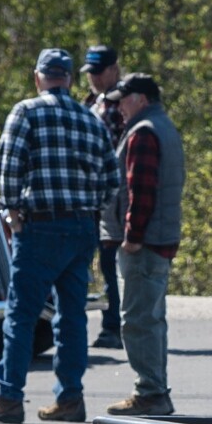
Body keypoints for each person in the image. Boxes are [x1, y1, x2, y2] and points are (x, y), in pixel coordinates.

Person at [0, 49, 119, 424]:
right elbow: (112, 179)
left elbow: (9, 163)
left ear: (38, 77)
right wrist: (90, 207)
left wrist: (12, 211)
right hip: (82, 226)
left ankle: (9, 397)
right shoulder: (91, 119)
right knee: (72, 316)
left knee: (21, 314)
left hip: (40, 225)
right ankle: (69, 398)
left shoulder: (27, 111)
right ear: (67, 78)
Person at [102, 74, 186, 417]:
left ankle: (150, 392)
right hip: (159, 240)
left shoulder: (143, 132)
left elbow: (141, 191)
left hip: (145, 244)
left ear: (141, 99)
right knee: (151, 319)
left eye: (124, 99)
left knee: (138, 320)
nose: (119, 106)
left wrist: (132, 237)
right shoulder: (161, 126)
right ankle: (154, 390)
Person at [80, 45, 126, 350]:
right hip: (90, 193)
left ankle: (114, 325)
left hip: (115, 192)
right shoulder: (89, 102)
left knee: (111, 260)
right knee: (94, 260)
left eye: (99, 72)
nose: (94, 78)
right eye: (90, 73)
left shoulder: (122, 102)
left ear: (114, 69)